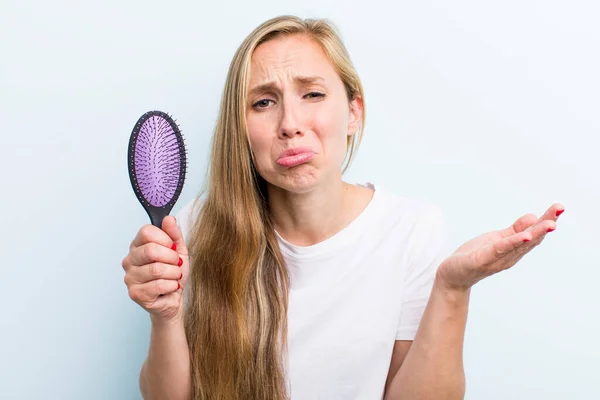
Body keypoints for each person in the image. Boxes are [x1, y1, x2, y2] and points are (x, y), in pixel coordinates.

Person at [121, 15, 564, 400]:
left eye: (312, 94)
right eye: (263, 102)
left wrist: (452, 289)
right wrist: (166, 316)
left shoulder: (411, 229)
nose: (290, 125)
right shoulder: (199, 227)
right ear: (241, 128)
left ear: (353, 113)